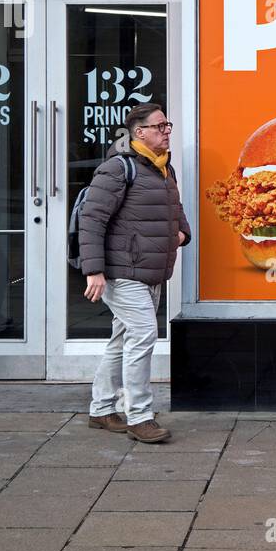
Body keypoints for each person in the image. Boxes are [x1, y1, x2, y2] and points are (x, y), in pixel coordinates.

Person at [78, 103, 191, 444]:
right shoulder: (118, 169)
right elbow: (92, 219)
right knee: (143, 335)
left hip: (150, 270)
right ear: (139, 133)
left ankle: (100, 409)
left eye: (168, 125)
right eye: (160, 126)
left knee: (120, 341)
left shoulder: (162, 168)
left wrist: (184, 232)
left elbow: (175, 208)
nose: (167, 130)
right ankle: (140, 415)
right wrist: (94, 270)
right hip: (121, 270)